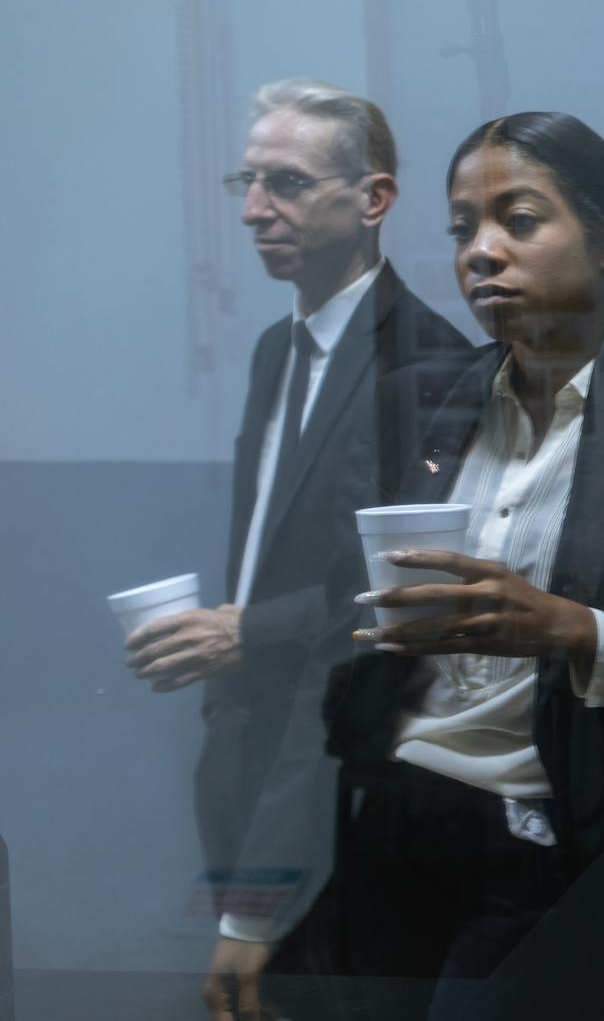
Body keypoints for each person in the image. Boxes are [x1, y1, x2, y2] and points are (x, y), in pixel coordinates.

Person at [202, 112, 604, 1021]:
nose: (481, 253)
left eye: (519, 220)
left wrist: (574, 629)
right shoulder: (414, 402)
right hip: (384, 834)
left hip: (559, 847)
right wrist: (253, 910)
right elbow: (330, 662)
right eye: (463, 228)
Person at [122, 79, 466, 930]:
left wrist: (245, 631)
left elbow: (399, 594)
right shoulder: (277, 347)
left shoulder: (430, 358)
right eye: (249, 182)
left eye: (289, 182)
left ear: (373, 198)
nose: (255, 209)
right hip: (245, 735)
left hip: (345, 752)